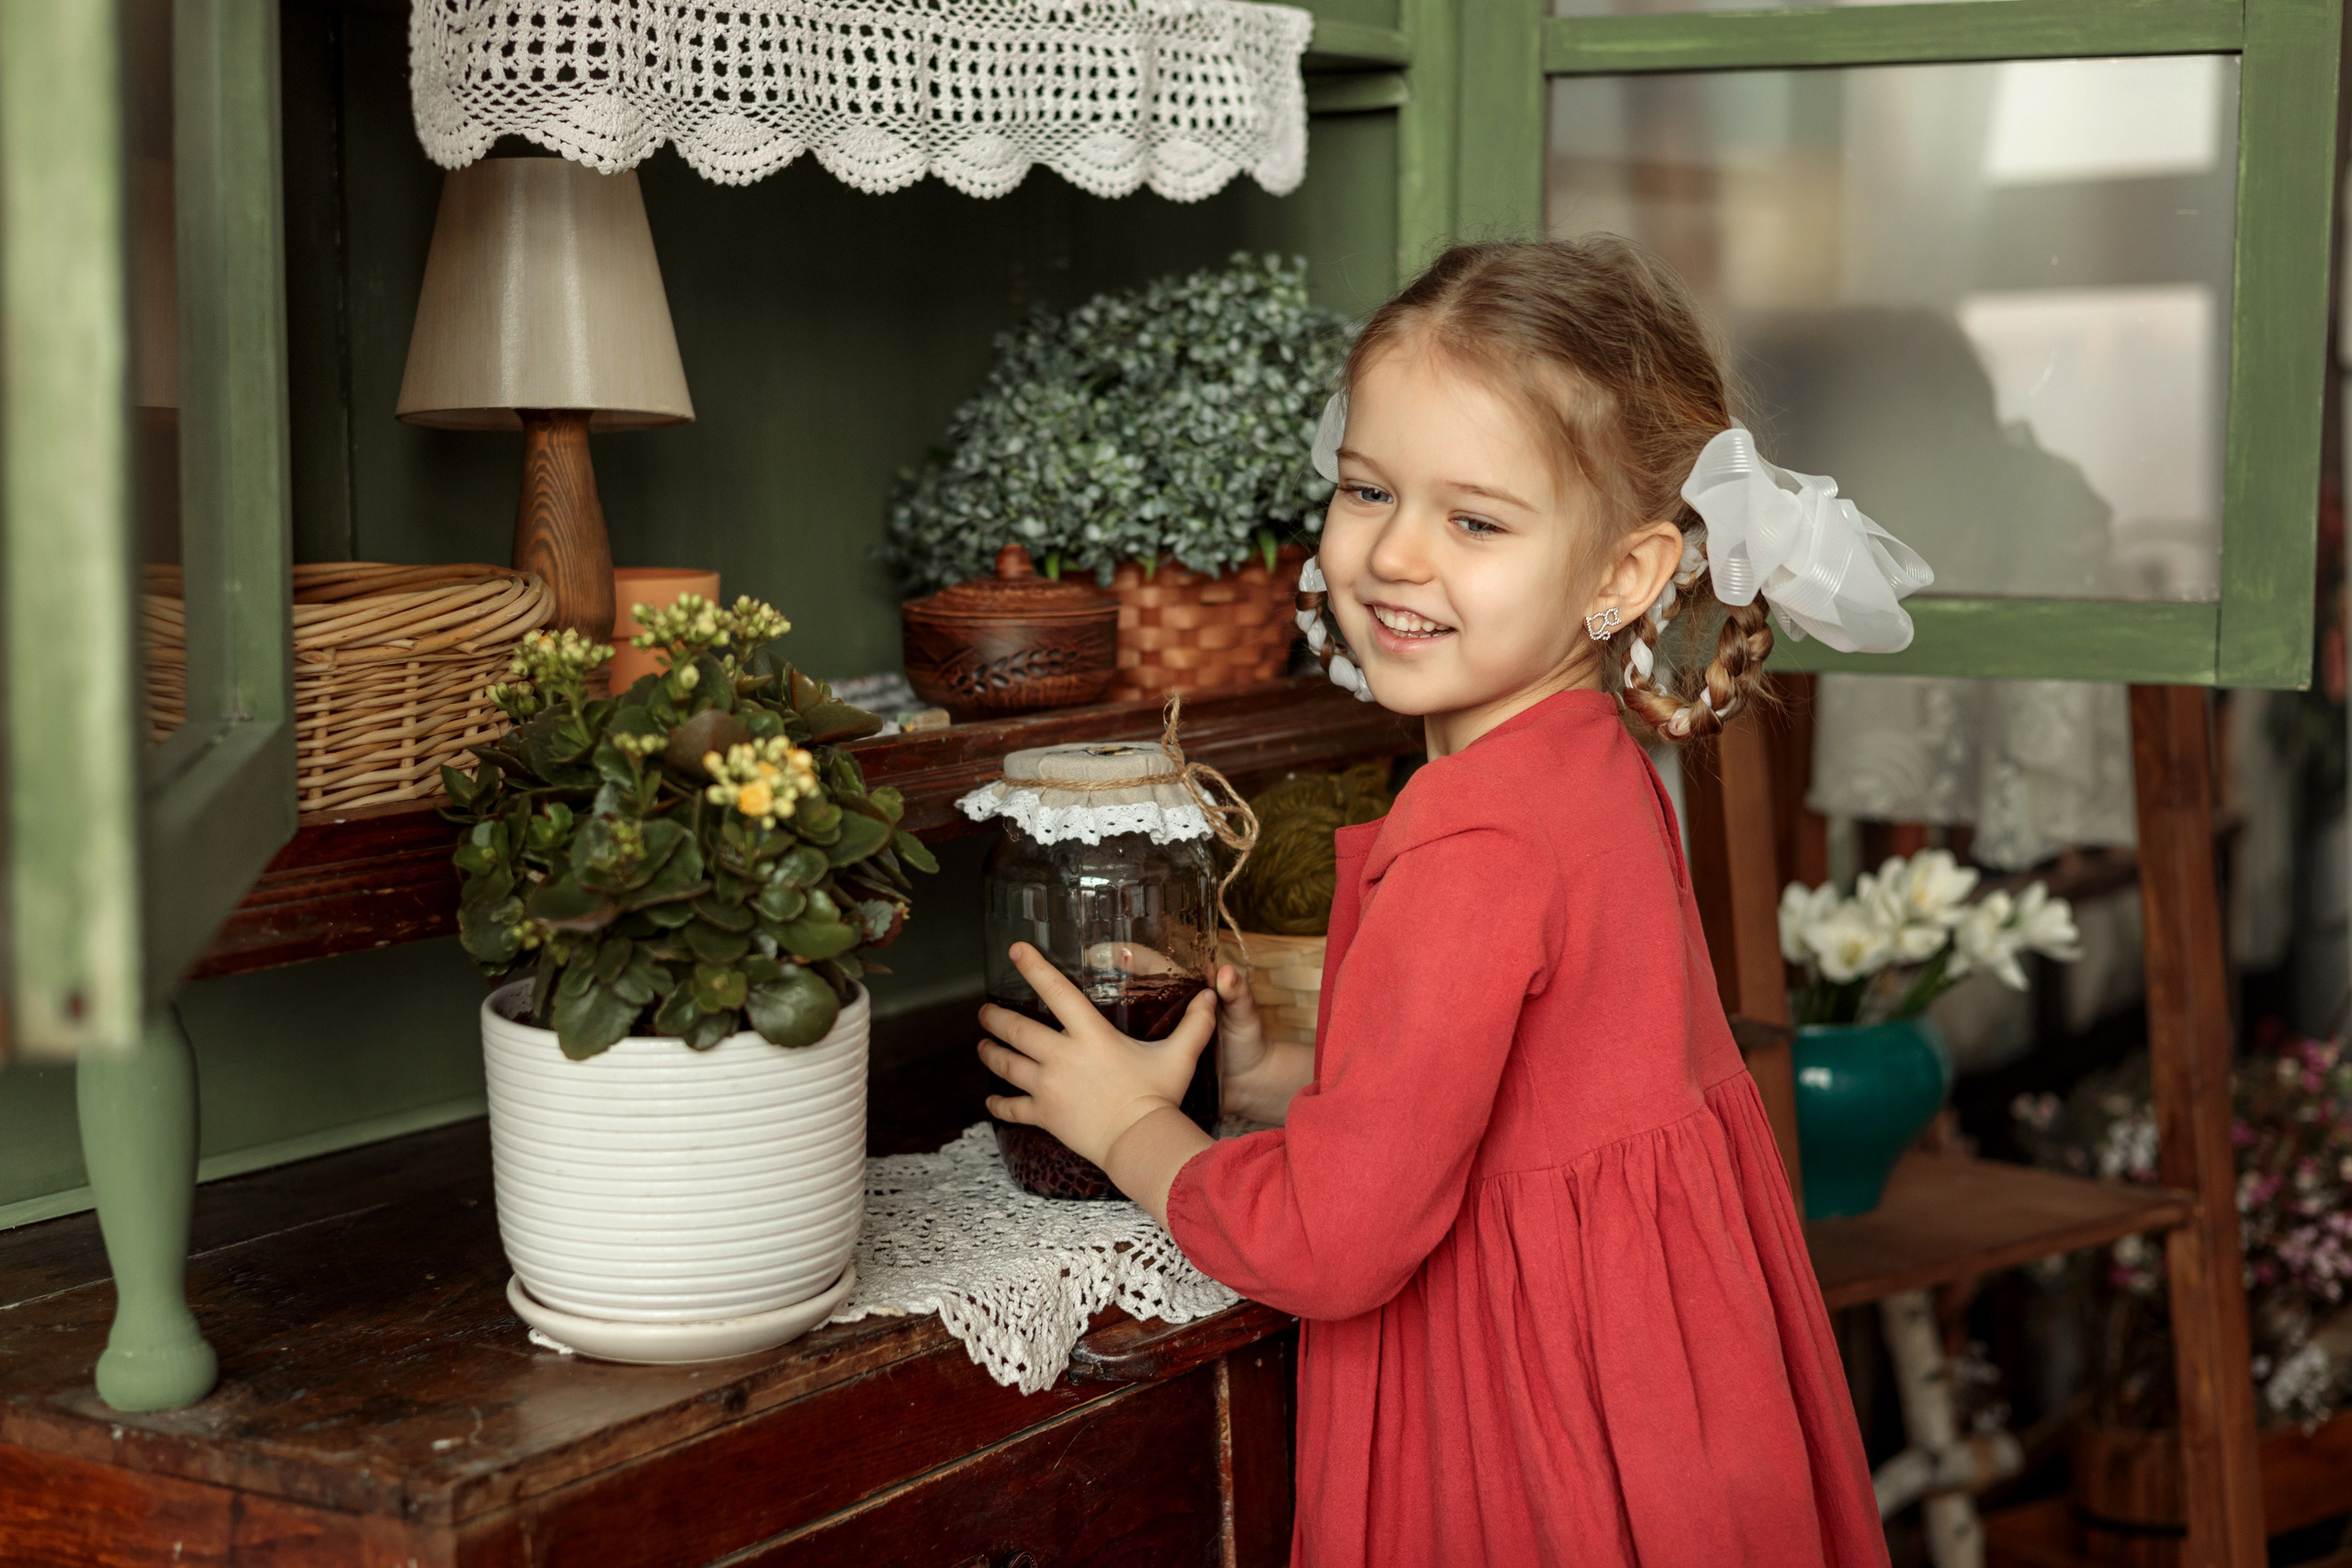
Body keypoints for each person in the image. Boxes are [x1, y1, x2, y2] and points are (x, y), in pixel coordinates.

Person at [976, 238, 1923, 1567]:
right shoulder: (1592, 765)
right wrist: (1279, 1076)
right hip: (1662, 1389)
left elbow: (1334, 1242)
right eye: (1368, 489)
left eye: (1475, 521)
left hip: (1526, 1428)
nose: (1395, 554)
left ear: (1624, 575)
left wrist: (1131, 1127)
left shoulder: (1474, 838)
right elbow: (1538, 1091)